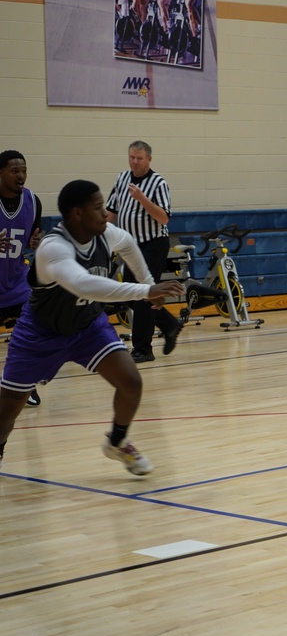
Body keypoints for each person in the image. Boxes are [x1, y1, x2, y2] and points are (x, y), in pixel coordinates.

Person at [0, 180, 184, 474]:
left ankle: (117, 442)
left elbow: (127, 243)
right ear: (77, 214)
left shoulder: (104, 233)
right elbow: (83, 285)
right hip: (41, 333)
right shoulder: (53, 248)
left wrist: (150, 282)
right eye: (98, 208)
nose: (105, 214)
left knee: (131, 383)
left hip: (87, 327)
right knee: (7, 409)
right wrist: (145, 291)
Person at [106, 140, 183, 363]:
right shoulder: (121, 178)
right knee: (132, 294)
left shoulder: (158, 183)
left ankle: (142, 349)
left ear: (149, 159)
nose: (135, 162)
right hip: (130, 246)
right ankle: (169, 323)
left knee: (142, 295)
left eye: (139, 158)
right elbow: (111, 212)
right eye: (132, 157)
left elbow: (164, 217)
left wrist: (142, 199)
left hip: (153, 244)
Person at [0, 150, 43, 406]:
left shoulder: (33, 201)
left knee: (31, 334)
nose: (21, 176)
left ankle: (25, 386)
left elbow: (32, 238)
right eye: (15, 171)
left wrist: (36, 242)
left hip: (17, 283)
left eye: (24, 171)